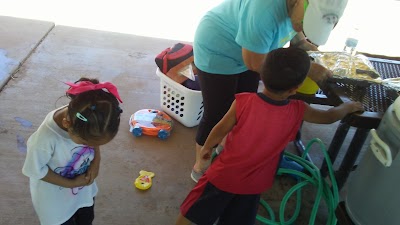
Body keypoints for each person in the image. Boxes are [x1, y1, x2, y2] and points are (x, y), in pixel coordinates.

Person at [176, 47, 363, 225]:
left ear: (262, 76)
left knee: (193, 212)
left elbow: (220, 128)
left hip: (223, 177)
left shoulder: (243, 101)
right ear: (294, 88)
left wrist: (208, 147)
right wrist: (347, 107)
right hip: (254, 185)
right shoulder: (299, 110)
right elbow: (329, 117)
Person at [191, 0, 350, 182]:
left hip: (251, 51)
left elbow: (295, 32)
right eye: (306, 21)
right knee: (217, 113)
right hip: (218, 48)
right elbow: (254, 63)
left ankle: (224, 150)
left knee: (245, 110)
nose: (303, 27)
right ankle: (201, 168)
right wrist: (309, 69)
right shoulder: (263, 9)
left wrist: (305, 45)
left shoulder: (297, 8)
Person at [22, 77, 123, 225]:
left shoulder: (84, 118)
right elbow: (35, 170)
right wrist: (71, 184)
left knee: (86, 219)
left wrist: (96, 162)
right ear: (67, 124)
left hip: (82, 192)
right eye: (85, 143)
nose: (89, 146)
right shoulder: (44, 141)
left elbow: (93, 141)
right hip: (55, 203)